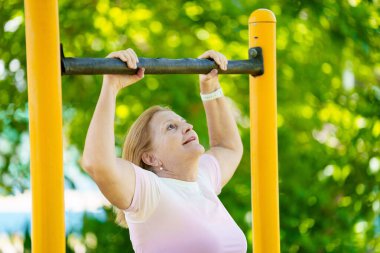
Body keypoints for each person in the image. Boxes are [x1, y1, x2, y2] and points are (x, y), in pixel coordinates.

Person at [82, 48, 247, 253]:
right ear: (150, 157)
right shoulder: (151, 192)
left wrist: (210, 85)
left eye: (184, 122)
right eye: (171, 127)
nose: (187, 127)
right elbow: (98, 163)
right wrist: (111, 86)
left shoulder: (202, 178)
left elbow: (228, 147)